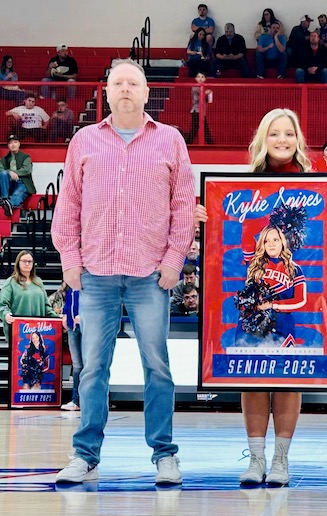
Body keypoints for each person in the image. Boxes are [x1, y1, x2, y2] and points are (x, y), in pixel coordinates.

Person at [51, 59, 195, 485]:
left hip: (150, 274)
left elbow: (183, 205)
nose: (126, 89)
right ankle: (85, 455)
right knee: (92, 368)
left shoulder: (170, 140)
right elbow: (68, 204)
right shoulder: (84, 140)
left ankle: (164, 454)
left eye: (134, 83)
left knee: (158, 367)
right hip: (95, 273)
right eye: (119, 83)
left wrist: (174, 260)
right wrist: (70, 259)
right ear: (107, 92)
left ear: (147, 92)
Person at [236, 108, 311, 487]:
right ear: (263, 139)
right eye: (274, 133)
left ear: (298, 140)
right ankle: (256, 459)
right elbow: (232, 240)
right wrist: (206, 212)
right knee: (252, 379)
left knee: (287, 380)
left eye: (289, 133)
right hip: (254, 314)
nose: (282, 140)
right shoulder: (242, 188)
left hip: (285, 318)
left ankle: (281, 460)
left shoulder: (315, 188)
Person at [235, 225, 306, 346]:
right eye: (266, 241)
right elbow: (247, 233)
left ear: (282, 242)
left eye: (275, 240)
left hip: (282, 326)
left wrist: (272, 305)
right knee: (249, 356)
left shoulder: (294, 269)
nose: (271, 244)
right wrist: (270, 219)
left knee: (282, 358)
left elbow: (300, 300)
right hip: (253, 325)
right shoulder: (254, 262)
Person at [0, 251, 58, 343]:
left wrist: (57, 318)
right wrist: (6, 314)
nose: (27, 264)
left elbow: (46, 306)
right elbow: (2, 305)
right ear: (18, 263)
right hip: (19, 331)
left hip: (38, 330)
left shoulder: (38, 282)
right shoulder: (10, 282)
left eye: (30, 261)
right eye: (24, 261)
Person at [0, 134, 35, 216]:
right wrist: (9, 172)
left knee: (20, 190)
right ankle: (4, 199)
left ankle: (9, 204)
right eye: (10, 143)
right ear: (8, 145)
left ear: (19, 144)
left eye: (15, 142)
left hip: (22, 182)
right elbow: (1, 169)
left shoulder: (26, 157)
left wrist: (14, 173)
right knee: (3, 173)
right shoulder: (3, 159)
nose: (13, 145)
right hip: (8, 184)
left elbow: (27, 170)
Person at [61, 287, 82, 411]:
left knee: (88, 365)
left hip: (87, 327)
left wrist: (84, 315)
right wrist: (65, 314)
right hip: (72, 328)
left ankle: (87, 400)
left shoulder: (89, 284)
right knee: (77, 365)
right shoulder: (71, 288)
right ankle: (76, 400)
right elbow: (69, 302)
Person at [186, 71, 213, 144]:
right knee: (196, 128)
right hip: (196, 111)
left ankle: (188, 142)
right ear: (195, 78)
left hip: (202, 112)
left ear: (205, 79)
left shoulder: (203, 88)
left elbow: (208, 101)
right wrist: (205, 93)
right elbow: (197, 99)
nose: (200, 79)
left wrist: (209, 95)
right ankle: (210, 143)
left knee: (200, 128)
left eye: (202, 77)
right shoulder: (195, 87)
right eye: (198, 77)